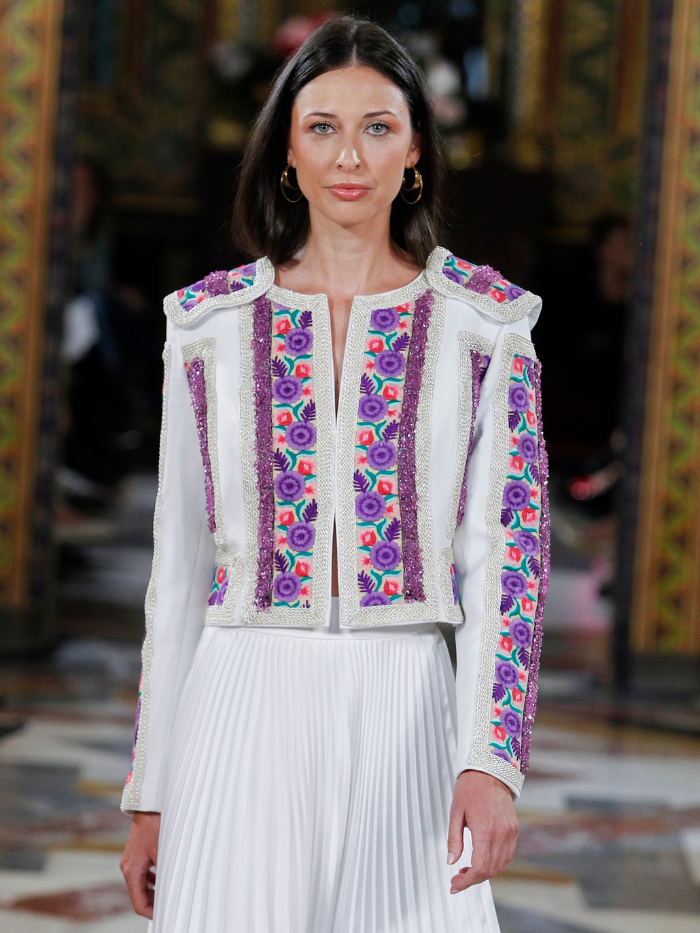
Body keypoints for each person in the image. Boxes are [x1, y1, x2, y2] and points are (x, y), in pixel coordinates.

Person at [120, 17, 548, 933]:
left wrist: (490, 760)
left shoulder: (486, 327)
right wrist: (151, 789)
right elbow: (177, 572)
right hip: (242, 706)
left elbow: (508, 560)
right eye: (321, 127)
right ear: (285, 150)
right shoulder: (207, 330)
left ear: (417, 150)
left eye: (378, 126)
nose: (349, 155)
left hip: (409, 710)